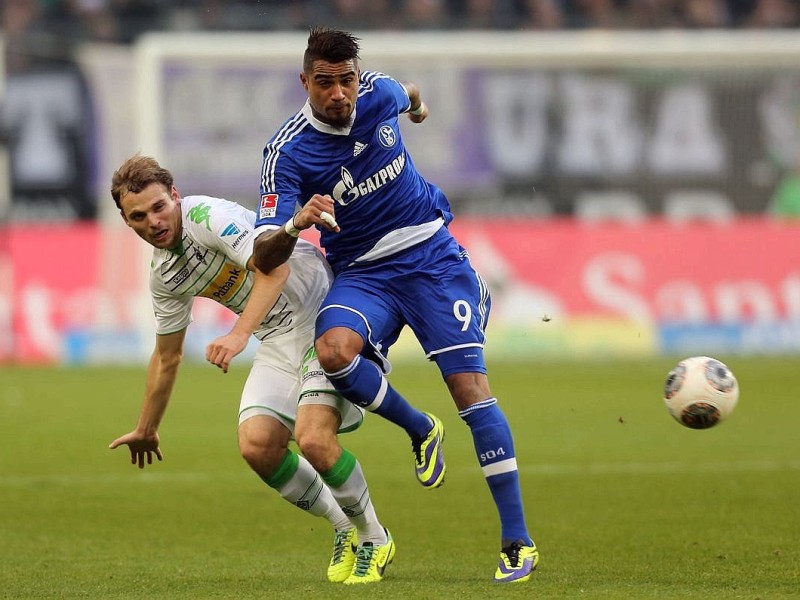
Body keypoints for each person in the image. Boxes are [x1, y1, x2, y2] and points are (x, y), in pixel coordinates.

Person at [252, 27, 538, 584]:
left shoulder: (377, 93)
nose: (339, 94)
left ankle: (516, 540)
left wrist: (421, 106)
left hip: (431, 255)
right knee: (333, 351)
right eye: (326, 83)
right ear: (305, 81)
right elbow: (265, 251)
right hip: (364, 273)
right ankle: (418, 428)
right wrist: (294, 223)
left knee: (469, 388)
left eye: (347, 81)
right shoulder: (286, 153)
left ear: (359, 78)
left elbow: (405, 93)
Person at [107, 154, 394, 585]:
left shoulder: (207, 215)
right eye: (138, 216)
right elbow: (167, 355)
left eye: (159, 207)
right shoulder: (164, 275)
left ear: (176, 197)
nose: (154, 221)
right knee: (258, 446)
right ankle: (343, 528)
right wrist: (147, 427)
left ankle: (375, 536)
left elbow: (273, 269)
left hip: (323, 313)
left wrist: (239, 335)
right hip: (279, 336)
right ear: (127, 223)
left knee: (314, 438)